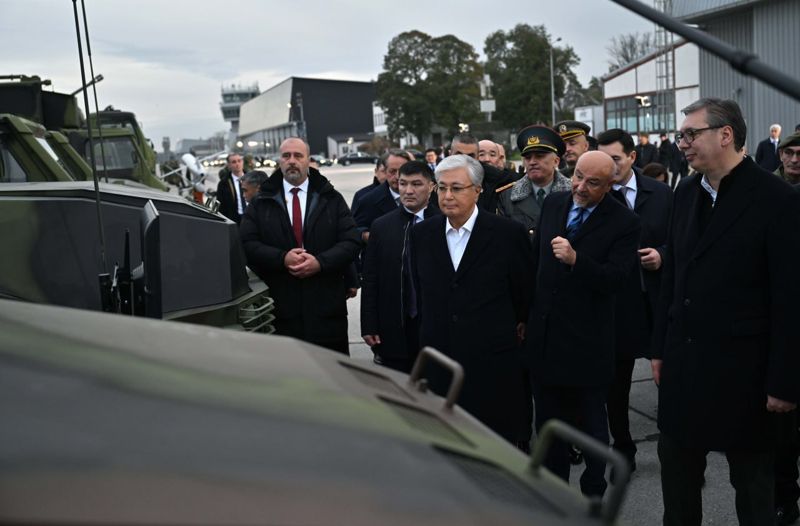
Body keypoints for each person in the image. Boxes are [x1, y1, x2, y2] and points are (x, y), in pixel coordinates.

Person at [652, 98, 800, 526]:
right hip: (684, 367)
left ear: (725, 134)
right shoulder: (685, 195)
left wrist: (784, 382)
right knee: (677, 483)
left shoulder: (776, 199)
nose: (682, 144)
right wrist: (659, 349)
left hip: (746, 373)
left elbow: (790, 299)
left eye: (690, 134)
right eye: (681, 135)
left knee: (754, 488)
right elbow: (673, 280)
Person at [526, 150, 640, 497]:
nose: (580, 187)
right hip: (545, 337)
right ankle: (554, 491)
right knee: (548, 423)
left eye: (593, 183)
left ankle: (593, 491)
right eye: (578, 176)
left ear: (610, 185)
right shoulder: (555, 204)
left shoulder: (624, 222)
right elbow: (537, 265)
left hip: (588, 341)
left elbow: (617, 279)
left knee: (591, 422)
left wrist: (578, 260)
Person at [410, 154, 532, 448]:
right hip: (440, 362)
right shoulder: (421, 234)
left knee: (497, 445)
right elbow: (419, 291)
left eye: (456, 188)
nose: (447, 196)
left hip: (492, 364)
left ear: (477, 190)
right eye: (442, 188)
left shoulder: (507, 234)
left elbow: (524, 292)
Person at [240, 137, 360, 354]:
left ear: (308, 160)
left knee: (330, 378)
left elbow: (351, 241)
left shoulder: (331, 199)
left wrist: (320, 263)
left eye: (298, 156)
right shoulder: (261, 203)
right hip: (280, 310)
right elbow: (247, 244)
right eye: (286, 156)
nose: (291, 161)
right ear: (279, 161)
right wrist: (282, 258)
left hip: (326, 311)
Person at [597, 128, 671, 474]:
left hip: (658, 301)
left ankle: (680, 452)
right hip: (618, 304)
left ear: (631, 157)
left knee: (671, 379)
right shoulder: (593, 198)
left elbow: (684, 242)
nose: (607, 167)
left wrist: (661, 255)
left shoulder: (662, 194)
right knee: (617, 383)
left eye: (613, 160)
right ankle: (623, 449)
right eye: (602, 160)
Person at [360, 161, 439, 373]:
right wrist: (369, 323)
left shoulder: (444, 222)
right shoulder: (382, 226)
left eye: (417, 184)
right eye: (403, 184)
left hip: (435, 327)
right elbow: (371, 278)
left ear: (432, 186)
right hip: (394, 325)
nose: (408, 191)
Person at [497, 125, 571, 245]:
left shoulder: (573, 193)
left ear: (556, 161)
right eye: (527, 157)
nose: (532, 162)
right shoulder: (507, 196)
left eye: (539, 156)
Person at [352, 149, 413, 240]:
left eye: (402, 171)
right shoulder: (368, 200)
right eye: (392, 171)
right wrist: (368, 237)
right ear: (385, 171)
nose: (397, 177)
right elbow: (354, 230)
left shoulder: (426, 196)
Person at [450, 133, 514, 213]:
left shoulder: (495, 180)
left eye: (470, 156)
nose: (464, 161)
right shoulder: (437, 181)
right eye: (459, 155)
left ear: (477, 158)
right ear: (450, 155)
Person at [216, 153, 247, 224]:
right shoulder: (224, 183)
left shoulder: (252, 178)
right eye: (234, 162)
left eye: (239, 161)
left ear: (243, 162)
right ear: (229, 165)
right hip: (234, 220)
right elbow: (221, 207)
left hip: (251, 218)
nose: (237, 164)